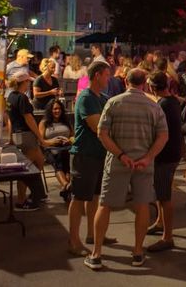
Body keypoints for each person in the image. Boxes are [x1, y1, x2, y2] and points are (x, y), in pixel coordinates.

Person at [85, 68, 169, 270]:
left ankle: (96, 254)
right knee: (141, 206)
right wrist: (148, 157)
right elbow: (163, 136)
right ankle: (138, 252)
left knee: (104, 205)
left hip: (117, 162)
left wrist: (121, 154)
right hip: (143, 163)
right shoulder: (154, 106)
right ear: (144, 84)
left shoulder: (113, 103)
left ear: (126, 81)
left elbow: (102, 133)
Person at [68, 61, 114, 257]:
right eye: (106, 75)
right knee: (79, 197)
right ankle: (73, 240)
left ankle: (92, 234)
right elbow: (98, 127)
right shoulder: (86, 98)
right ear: (97, 76)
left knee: (95, 196)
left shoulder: (102, 98)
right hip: (84, 154)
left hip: (99, 155)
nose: (108, 79)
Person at [145, 71, 181, 252]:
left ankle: (168, 237)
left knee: (165, 195)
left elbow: (157, 131)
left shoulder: (162, 105)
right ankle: (160, 222)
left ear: (152, 87)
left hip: (165, 155)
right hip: (173, 153)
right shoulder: (172, 101)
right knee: (161, 192)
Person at [6, 72, 47, 210]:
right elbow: (28, 119)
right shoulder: (22, 98)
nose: (29, 84)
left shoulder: (10, 97)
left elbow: (10, 120)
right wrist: (40, 137)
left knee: (39, 161)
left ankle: (37, 194)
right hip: (26, 135)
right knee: (26, 168)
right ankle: (21, 200)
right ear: (23, 83)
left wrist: (10, 137)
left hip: (19, 135)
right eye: (28, 82)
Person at [39, 98, 73, 201]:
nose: (57, 111)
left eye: (59, 109)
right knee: (59, 159)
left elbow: (73, 136)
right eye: (54, 109)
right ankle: (67, 185)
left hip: (66, 147)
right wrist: (52, 141)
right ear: (50, 110)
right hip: (50, 149)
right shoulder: (44, 123)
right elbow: (40, 141)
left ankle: (65, 188)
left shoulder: (66, 121)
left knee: (68, 157)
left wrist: (69, 140)